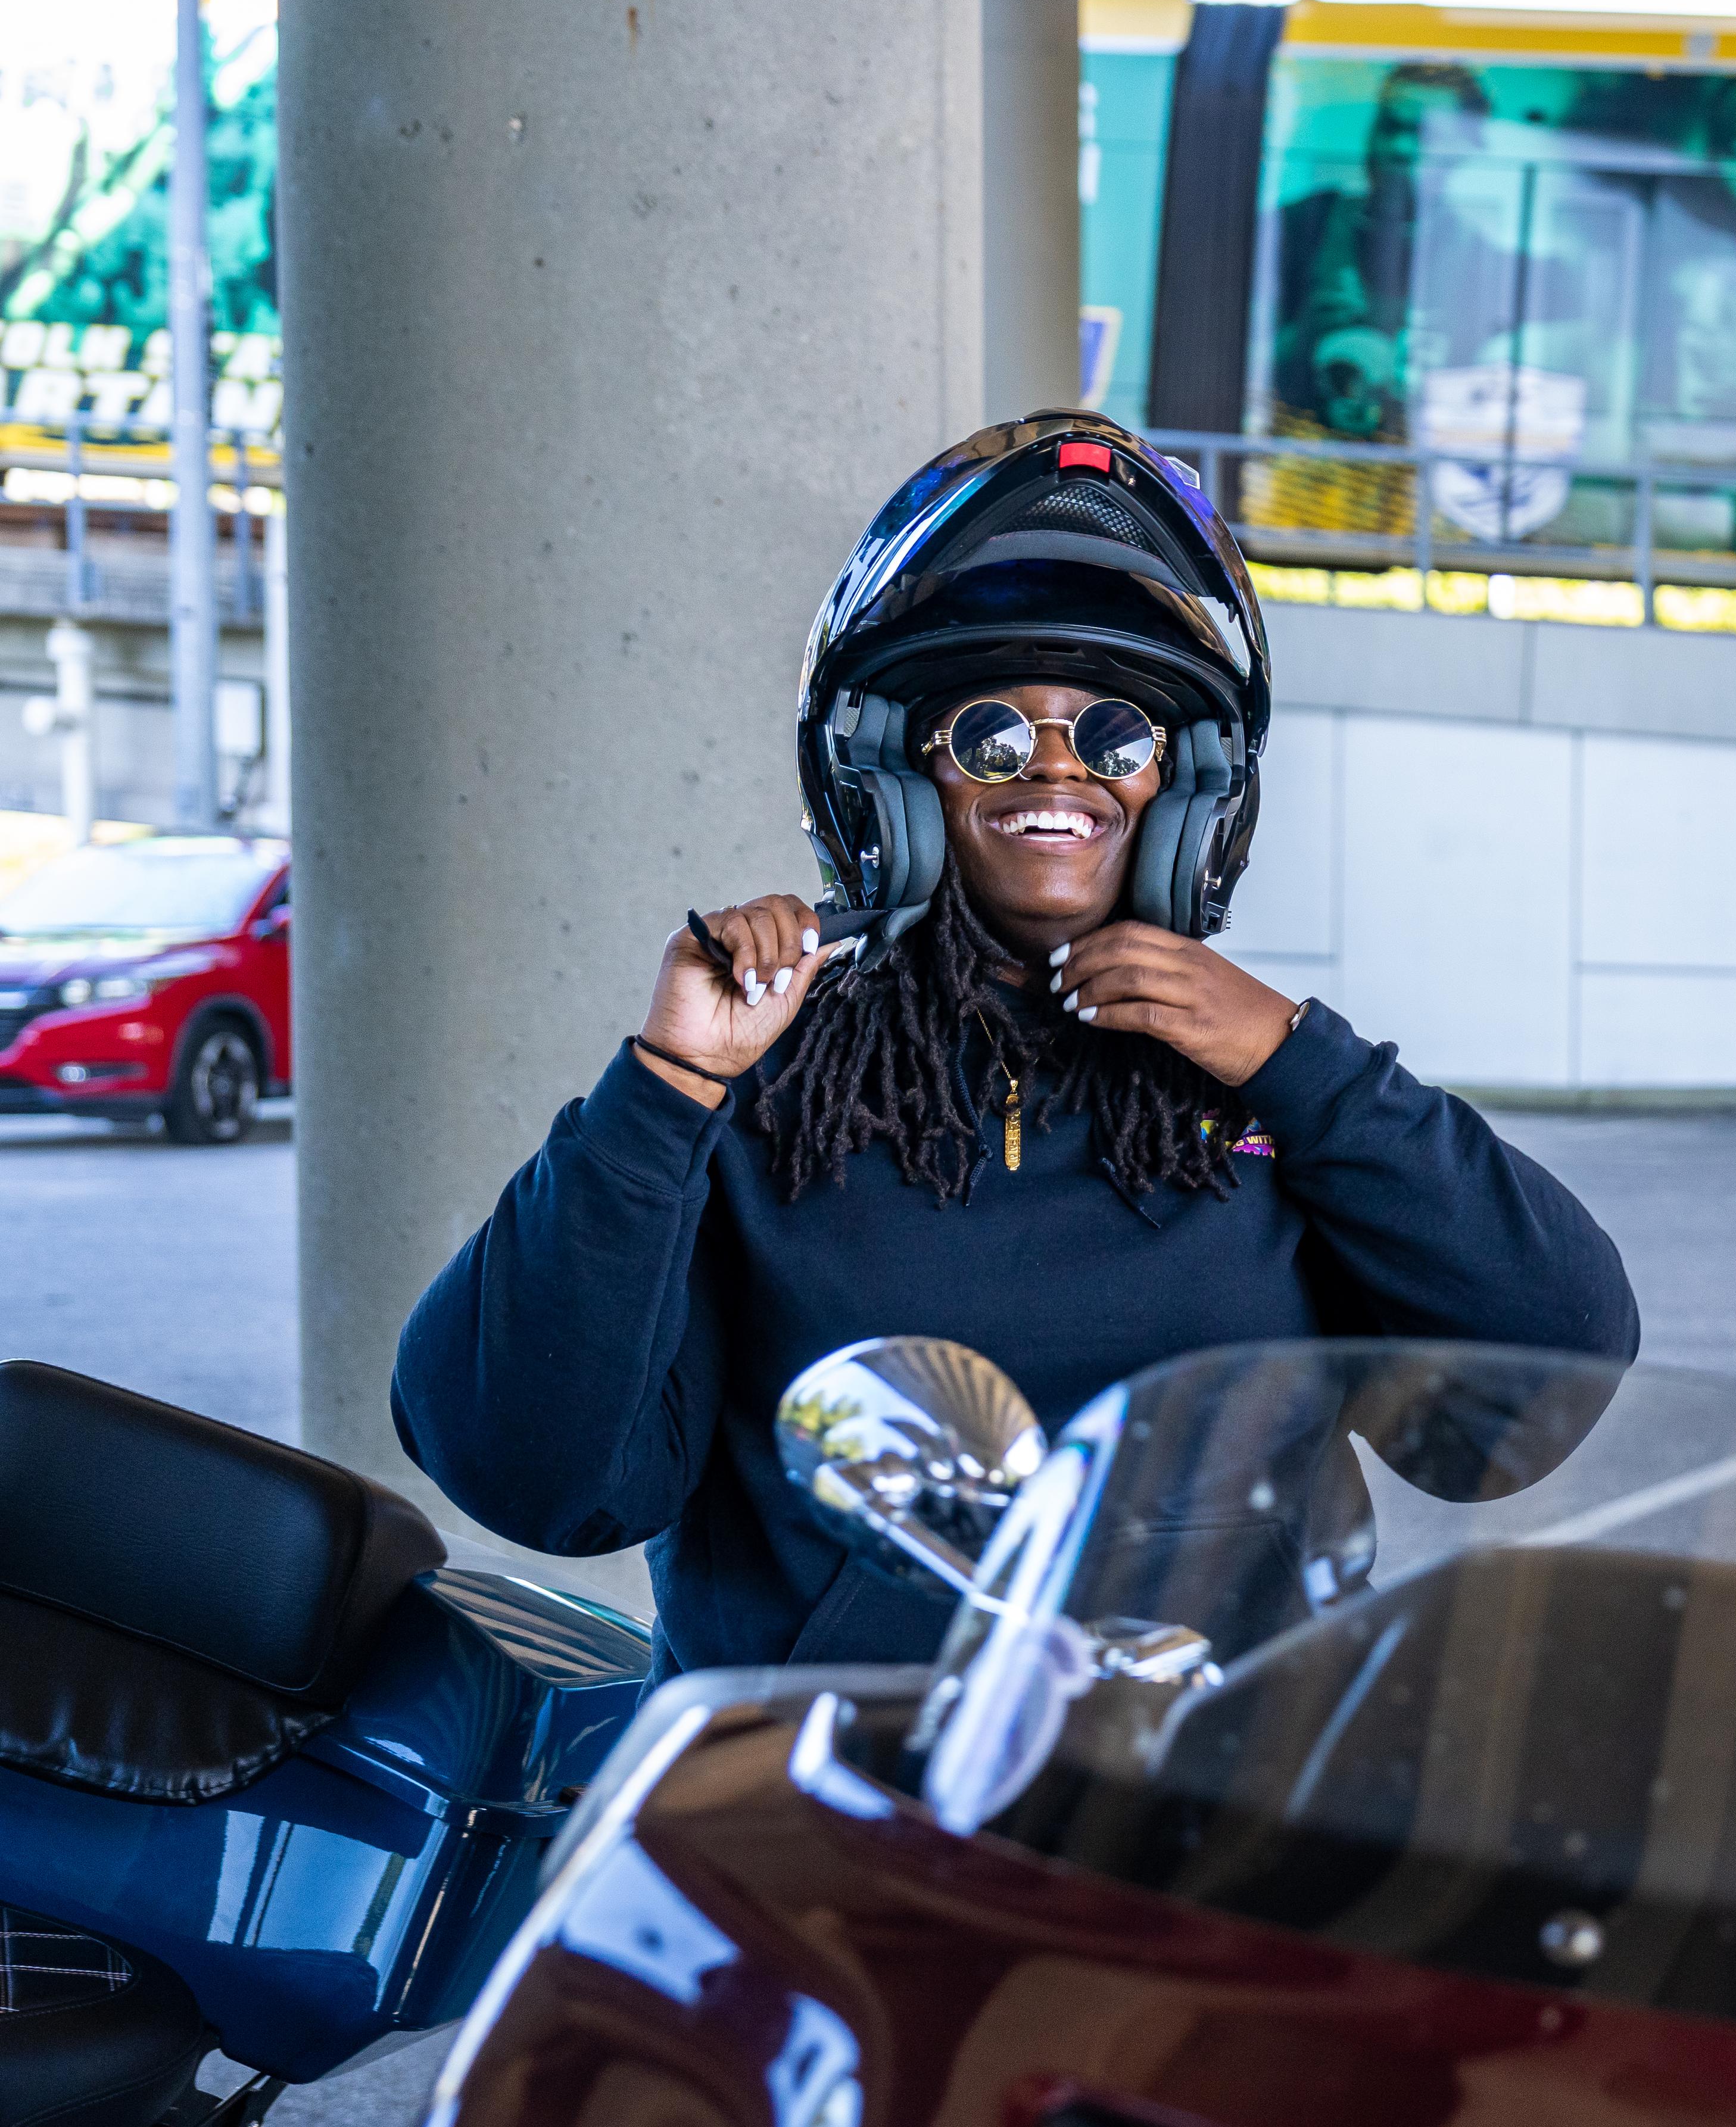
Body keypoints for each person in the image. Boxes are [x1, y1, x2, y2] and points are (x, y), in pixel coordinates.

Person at [396, 412, 1637, 1678]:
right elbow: (529, 1471)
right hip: (810, 1816)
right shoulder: (764, 1101)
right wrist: (667, 1089)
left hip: (1211, 1809)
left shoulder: (1274, 1097)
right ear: (893, 781)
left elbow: (1544, 1376)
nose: (1058, 763)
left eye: (1117, 734)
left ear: (1190, 790)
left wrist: (1298, 1060)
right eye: (989, 730)